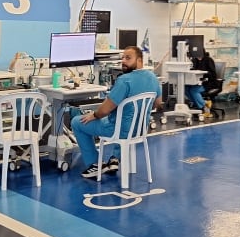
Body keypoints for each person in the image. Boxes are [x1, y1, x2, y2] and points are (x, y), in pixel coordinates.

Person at [71, 46, 162, 179]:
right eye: (122, 58)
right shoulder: (153, 77)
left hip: (118, 131)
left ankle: (95, 164)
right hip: (140, 129)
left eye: (128, 58)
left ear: (140, 60)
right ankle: (115, 158)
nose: (123, 61)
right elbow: (157, 103)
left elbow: (104, 110)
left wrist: (93, 115)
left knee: (77, 122)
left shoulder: (124, 81)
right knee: (124, 119)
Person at [184, 51, 218, 118]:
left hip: (209, 83)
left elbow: (213, 74)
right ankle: (204, 103)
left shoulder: (208, 60)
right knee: (186, 88)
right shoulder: (194, 60)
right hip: (198, 82)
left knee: (194, 90)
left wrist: (203, 74)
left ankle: (205, 108)